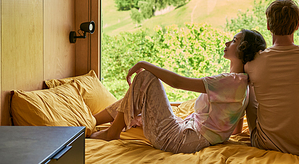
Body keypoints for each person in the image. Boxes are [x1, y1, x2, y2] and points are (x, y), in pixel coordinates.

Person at [90, 29, 267, 154]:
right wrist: (212, 134)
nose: (228, 42)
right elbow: (235, 129)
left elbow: (177, 82)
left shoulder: (228, 82)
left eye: (235, 40)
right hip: (186, 133)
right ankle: (91, 120)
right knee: (138, 97)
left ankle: (110, 131)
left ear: (243, 49)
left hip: (179, 140)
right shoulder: (243, 85)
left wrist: (144, 64)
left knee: (146, 78)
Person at [244, 0, 299, 155]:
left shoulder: (253, 62)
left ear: (268, 26)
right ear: (297, 25)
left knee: (248, 86)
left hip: (265, 143)